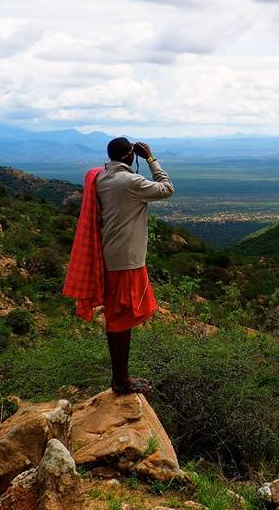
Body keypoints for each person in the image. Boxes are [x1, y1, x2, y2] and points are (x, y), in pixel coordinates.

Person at [63, 137, 174, 394]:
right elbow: (167, 188)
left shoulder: (99, 178)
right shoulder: (130, 181)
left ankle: (121, 377)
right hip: (125, 260)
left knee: (120, 316)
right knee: (121, 319)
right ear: (129, 157)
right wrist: (150, 158)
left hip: (111, 255)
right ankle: (121, 381)